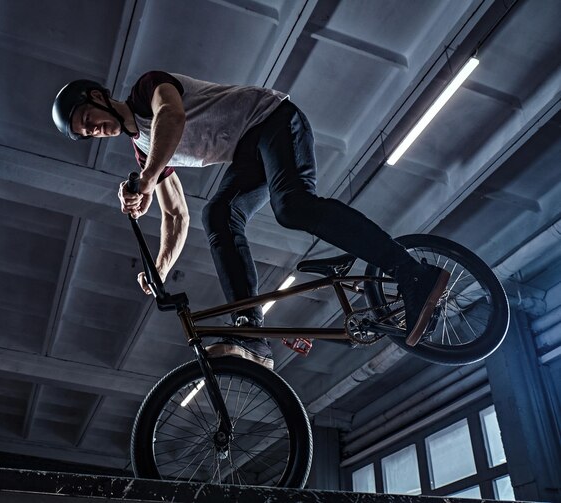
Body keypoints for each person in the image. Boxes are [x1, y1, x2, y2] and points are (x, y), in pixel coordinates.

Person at [52, 71, 449, 370]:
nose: (94, 129)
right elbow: (176, 215)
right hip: (248, 152)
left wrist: (148, 178)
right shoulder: (144, 153)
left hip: (274, 118)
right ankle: (251, 331)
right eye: (86, 132)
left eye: (88, 117)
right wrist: (158, 270)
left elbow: (171, 116)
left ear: (98, 96)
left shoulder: (146, 90)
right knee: (218, 214)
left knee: (293, 206)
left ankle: (412, 272)